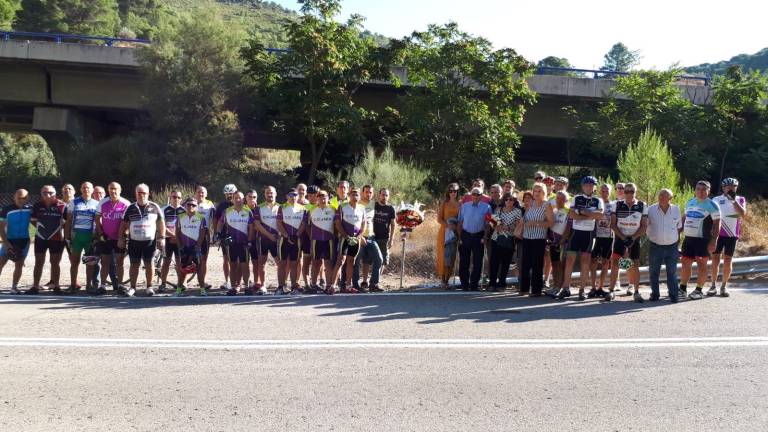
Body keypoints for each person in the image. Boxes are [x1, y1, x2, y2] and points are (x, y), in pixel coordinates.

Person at [557, 176, 603, 301]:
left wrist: (582, 212)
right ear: (582, 186)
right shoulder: (577, 198)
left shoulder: (598, 201)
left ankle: (582, 290)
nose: (588, 187)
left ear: (594, 187)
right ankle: (565, 288)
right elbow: (572, 214)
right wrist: (588, 215)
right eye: (586, 185)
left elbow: (599, 216)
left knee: (585, 262)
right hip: (575, 233)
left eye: (591, 185)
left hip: (588, 235)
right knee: (570, 260)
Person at [117, 184, 165, 297]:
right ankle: (133, 287)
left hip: (149, 241)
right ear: (136, 194)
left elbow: (161, 222)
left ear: (148, 194)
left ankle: (149, 287)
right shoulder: (130, 208)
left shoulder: (155, 207)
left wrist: (162, 237)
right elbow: (123, 224)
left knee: (149, 264)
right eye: (139, 193)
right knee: (134, 264)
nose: (141, 195)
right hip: (134, 241)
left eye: (144, 193)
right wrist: (120, 238)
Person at [679, 181, 721, 300]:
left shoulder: (712, 205)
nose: (701, 192)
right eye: (698, 189)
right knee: (685, 263)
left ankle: (699, 290)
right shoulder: (690, 202)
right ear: (695, 190)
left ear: (708, 191)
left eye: (704, 189)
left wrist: (714, 241)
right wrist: (678, 231)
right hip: (688, 239)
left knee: (701, 265)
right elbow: (684, 218)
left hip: (703, 240)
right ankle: (682, 288)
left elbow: (717, 224)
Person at [607, 183, 648, 302]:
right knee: (615, 264)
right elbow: (613, 224)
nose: (629, 194)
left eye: (632, 191)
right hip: (620, 238)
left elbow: (644, 226)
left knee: (635, 265)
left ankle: (636, 292)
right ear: (623, 193)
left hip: (635, 239)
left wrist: (633, 238)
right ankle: (611, 290)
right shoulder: (617, 205)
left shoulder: (642, 205)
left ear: (636, 192)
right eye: (627, 191)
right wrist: (623, 237)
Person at [710, 178, 746, 297]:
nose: (730, 188)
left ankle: (724, 286)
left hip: (732, 235)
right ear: (723, 188)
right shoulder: (716, 199)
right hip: (718, 234)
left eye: (733, 186)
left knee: (727, 260)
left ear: (736, 188)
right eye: (728, 186)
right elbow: (711, 216)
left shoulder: (740, 199)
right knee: (715, 259)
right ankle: (713, 285)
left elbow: (742, 214)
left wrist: (733, 201)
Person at [517, 184, 554, 296]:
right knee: (525, 264)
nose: (537, 193)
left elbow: (551, 223)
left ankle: (536, 290)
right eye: (535, 191)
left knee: (537, 265)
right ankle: (524, 289)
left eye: (539, 191)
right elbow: (525, 218)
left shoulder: (546, 205)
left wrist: (536, 223)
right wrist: (522, 221)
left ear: (544, 193)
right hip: (527, 237)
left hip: (539, 238)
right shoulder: (530, 204)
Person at [646, 189, 682, 302]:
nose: (661, 197)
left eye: (664, 196)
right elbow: (645, 225)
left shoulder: (676, 209)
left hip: (672, 246)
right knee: (653, 272)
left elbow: (679, 227)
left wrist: (677, 244)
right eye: (660, 195)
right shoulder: (650, 209)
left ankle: (673, 295)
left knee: (672, 272)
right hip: (655, 246)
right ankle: (655, 294)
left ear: (670, 198)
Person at [30, 185, 67, 294]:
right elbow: (32, 220)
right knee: (38, 262)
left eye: (50, 192)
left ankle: (56, 286)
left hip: (56, 238)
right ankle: (35, 286)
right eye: (45, 192)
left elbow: (67, 221)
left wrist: (58, 229)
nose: (48, 194)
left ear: (55, 193)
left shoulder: (62, 205)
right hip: (40, 238)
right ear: (41, 194)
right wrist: (42, 228)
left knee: (55, 262)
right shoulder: (37, 206)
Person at [95, 182, 130, 293]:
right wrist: (101, 233)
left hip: (119, 239)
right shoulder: (103, 202)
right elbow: (97, 218)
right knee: (104, 262)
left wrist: (124, 235)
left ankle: (120, 285)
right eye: (111, 189)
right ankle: (103, 286)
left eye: (115, 189)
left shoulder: (126, 203)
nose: (113, 191)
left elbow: (128, 221)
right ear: (108, 190)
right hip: (106, 238)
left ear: (120, 190)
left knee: (119, 262)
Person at [64, 182, 99, 294]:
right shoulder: (73, 202)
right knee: (74, 262)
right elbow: (68, 221)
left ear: (92, 190)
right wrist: (67, 236)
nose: (86, 189)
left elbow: (98, 222)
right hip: (77, 236)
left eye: (88, 188)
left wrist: (97, 236)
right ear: (80, 189)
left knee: (89, 263)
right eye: (83, 187)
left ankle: (89, 286)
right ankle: (73, 285)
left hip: (90, 236)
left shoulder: (97, 203)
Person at [218, 191, 252, 295]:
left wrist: (249, 240)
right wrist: (218, 234)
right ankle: (233, 287)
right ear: (232, 199)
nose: (238, 200)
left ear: (243, 199)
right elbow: (220, 223)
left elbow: (251, 228)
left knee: (244, 265)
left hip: (244, 242)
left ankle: (246, 286)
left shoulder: (248, 211)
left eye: (240, 198)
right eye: (235, 198)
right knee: (232, 265)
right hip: (231, 243)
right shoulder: (227, 211)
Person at [457, 187, 491, 291]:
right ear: (471, 195)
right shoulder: (464, 206)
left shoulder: (487, 207)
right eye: (473, 194)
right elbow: (460, 223)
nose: (475, 196)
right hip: (466, 235)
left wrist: (485, 236)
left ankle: (474, 284)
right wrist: (459, 237)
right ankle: (464, 284)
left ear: (481, 196)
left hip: (479, 236)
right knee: (464, 261)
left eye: (478, 194)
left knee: (477, 262)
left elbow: (488, 224)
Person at [333, 188, 367, 294]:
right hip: (344, 238)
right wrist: (346, 236)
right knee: (340, 261)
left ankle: (348, 286)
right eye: (353, 194)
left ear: (359, 196)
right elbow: (338, 223)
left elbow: (363, 224)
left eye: (357, 194)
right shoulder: (342, 206)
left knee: (351, 262)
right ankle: (332, 286)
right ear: (349, 195)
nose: (355, 196)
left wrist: (358, 237)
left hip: (355, 239)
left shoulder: (362, 208)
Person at [0, 189, 33, 294]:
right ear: (14, 197)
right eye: (18, 197)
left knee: (19, 264)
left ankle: (14, 287)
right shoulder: (6, 210)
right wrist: (6, 243)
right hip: (9, 240)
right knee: (1, 263)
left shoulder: (30, 209)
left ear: (27, 198)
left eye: (23, 197)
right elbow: (1, 228)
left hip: (24, 241)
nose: (20, 199)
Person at [487, 192, 522, 291]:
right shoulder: (498, 209)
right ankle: (492, 283)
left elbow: (518, 225)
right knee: (494, 262)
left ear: (514, 201)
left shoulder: (517, 211)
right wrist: (497, 226)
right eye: (506, 199)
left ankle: (502, 284)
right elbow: (492, 222)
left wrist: (509, 227)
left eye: (511, 199)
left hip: (509, 239)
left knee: (505, 263)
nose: (508, 201)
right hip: (496, 238)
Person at [353, 184, 383, 293]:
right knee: (356, 262)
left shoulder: (373, 204)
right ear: (362, 193)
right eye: (366, 192)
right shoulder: (357, 204)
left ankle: (373, 284)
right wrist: (359, 236)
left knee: (379, 259)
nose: (368, 194)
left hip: (371, 237)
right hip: (359, 238)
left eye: (370, 192)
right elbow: (353, 222)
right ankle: (355, 284)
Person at [277, 189, 307, 295]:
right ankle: (281, 287)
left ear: (298, 196)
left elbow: (303, 224)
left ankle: (294, 286)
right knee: (282, 264)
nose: (293, 197)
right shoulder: (282, 207)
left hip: (296, 240)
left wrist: (296, 235)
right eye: (291, 195)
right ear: (287, 196)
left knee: (294, 264)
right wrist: (286, 235)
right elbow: (279, 223)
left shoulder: (303, 208)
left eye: (295, 195)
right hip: (284, 240)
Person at [176, 198, 208, 296]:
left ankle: (202, 289)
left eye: (193, 205)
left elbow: (202, 233)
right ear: (185, 206)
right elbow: (177, 233)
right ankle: (178, 290)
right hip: (184, 246)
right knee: (183, 269)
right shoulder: (180, 217)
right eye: (189, 205)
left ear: (196, 207)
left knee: (199, 269)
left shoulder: (201, 217)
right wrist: (180, 246)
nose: (190, 207)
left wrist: (198, 246)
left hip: (196, 247)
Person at [253, 186, 281, 293]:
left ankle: (280, 284)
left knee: (280, 263)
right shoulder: (259, 208)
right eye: (267, 193)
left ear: (276, 194)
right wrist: (269, 235)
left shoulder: (281, 207)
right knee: (262, 263)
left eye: (272, 193)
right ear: (264, 195)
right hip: (263, 239)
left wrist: (278, 235)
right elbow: (257, 224)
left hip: (277, 239)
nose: (270, 195)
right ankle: (263, 285)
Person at [308, 190, 336, 294]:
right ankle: (314, 285)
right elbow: (307, 225)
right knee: (315, 262)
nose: (322, 198)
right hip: (316, 240)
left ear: (328, 197)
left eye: (324, 196)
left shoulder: (334, 208)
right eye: (319, 196)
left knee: (328, 263)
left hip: (329, 240)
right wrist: (310, 236)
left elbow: (337, 224)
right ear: (317, 198)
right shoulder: (311, 209)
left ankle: (328, 285)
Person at [589, 183, 614, 298]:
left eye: (607, 191)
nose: (605, 193)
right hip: (596, 236)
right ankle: (593, 287)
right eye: (603, 191)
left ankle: (600, 287)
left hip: (609, 237)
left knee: (605, 263)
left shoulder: (613, 205)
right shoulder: (595, 203)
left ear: (610, 192)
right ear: (599, 192)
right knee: (593, 261)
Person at [159, 190, 185, 292]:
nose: (176, 199)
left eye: (178, 197)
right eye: (174, 197)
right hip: (167, 239)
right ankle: (163, 284)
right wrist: (172, 235)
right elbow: (162, 226)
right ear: (170, 198)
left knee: (179, 263)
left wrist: (177, 236)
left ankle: (180, 284)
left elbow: (185, 226)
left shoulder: (184, 210)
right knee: (166, 262)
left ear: (181, 199)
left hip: (179, 239)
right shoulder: (164, 209)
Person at [370, 188, 395, 291]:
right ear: (379, 195)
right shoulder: (374, 206)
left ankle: (376, 281)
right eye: (383, 195)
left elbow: (393, 224)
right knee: (372, 260)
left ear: (388, 196)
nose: (384, 197)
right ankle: (368, 282)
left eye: (386, 195)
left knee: (383, 261)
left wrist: (391, 239)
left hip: (385, 238)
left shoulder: (390, 208)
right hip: (373, 237)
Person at [213, 184, 237, 290]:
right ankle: (227, 280)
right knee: (226, 259)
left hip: (239, 235)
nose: (229, 196)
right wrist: (216, 233)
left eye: (231, 194)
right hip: (224, 235)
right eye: (227, 194)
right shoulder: (221, 206)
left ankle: (239, 279)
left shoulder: (240, 203)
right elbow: (216, 220)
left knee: (241, 259)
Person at [436, 183, 461, 288]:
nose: (452, 193)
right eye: (450, 191)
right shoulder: (444, 203)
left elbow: (461, 218)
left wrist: (456, 227)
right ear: (448, 192)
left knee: (451, 256)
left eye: (454, 191)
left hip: (455, 232)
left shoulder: (461, 204)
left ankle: (447, 279)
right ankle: (443, 280)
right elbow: (439, 219)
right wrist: (448, 225)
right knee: (443, 256)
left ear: (457, 192)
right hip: (444, 232)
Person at [547, 191, 570, 293]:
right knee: (554, 264)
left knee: (561, 265)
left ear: (566, 200)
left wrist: (562, 240)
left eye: (562, 199)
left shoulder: (568, 211)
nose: (559, 200)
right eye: (557, 198)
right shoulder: (554, 210)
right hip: (553, 242)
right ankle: (555, 286)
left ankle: (560, 287)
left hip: (562, 242)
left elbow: (568, 228)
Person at [194, 185, 215, 290]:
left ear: (206, 194)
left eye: (202, 192)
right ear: (195, 193)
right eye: (198, 192)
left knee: (203, 259)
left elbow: (215, 218)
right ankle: (182, 282)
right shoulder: (190, 202)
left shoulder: (210, 204)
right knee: (186, 259)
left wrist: (215, 232)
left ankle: (203, 281)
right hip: (191, 232)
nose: (200, 194)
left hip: (205, 233)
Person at [300, 185, 319, 289]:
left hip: (320, 238)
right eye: (311, 195)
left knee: (317, 262)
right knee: (307, 261)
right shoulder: (304, 207)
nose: (313, 197)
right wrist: (311, 236)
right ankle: (307, 284)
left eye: (315, 195)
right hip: (308, 238)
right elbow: (305, 225)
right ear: (308, 195)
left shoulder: (322, 205)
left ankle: (314, 283)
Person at [244, 189, 259, 293]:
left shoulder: (259, 209)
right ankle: (244, 283)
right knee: (244, 263)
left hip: (256, 240)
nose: (252, 199)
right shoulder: (243, 209)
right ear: (246, 198)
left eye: (254, 197)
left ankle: (256, 282)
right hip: (244, 240)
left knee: (256, 262)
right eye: (250, 197)